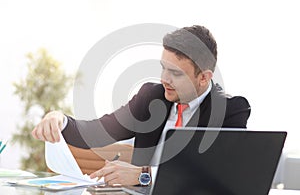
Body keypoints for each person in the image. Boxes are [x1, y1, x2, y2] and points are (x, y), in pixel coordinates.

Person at [32, 25, 251, 186]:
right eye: (163, 68)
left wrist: (143, 175)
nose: (164, 78)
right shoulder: (152, 97)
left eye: (175, 73)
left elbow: (220, 178)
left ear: (203, 78)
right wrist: (59, 119)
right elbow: (98, 132)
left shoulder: (230, 111)